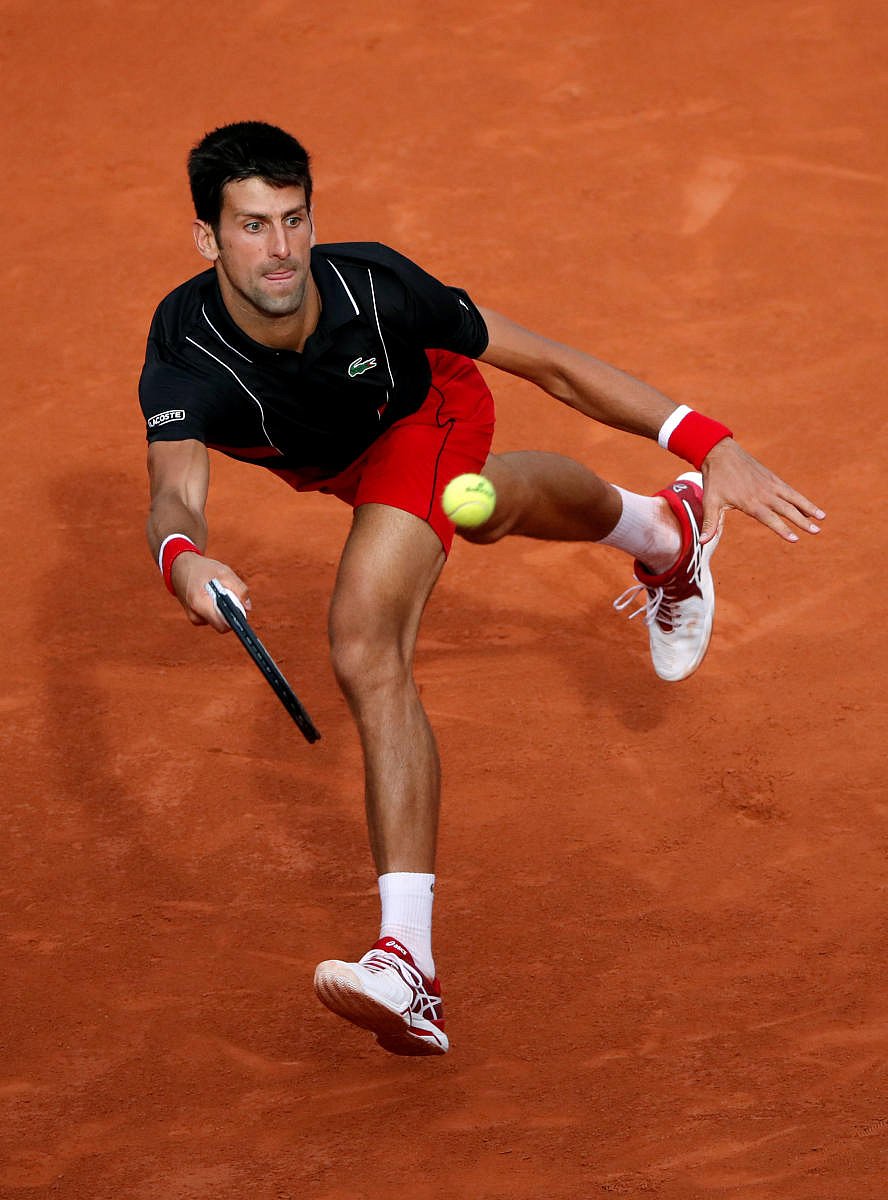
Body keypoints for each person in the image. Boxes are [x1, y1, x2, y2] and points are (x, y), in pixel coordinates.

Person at [139, 121, 824, 1057]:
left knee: (366, 638)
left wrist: (711, 440)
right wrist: (183, 558)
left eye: (295, 219)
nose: (282, 249)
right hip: (340, 466)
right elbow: (174, 490)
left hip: (428, 417)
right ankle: (664, 533)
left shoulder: (374, 287)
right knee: (490, 508)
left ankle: (406, 962)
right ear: (207, 239)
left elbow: (549, 363)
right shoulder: (184, 347)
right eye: (253, 226)